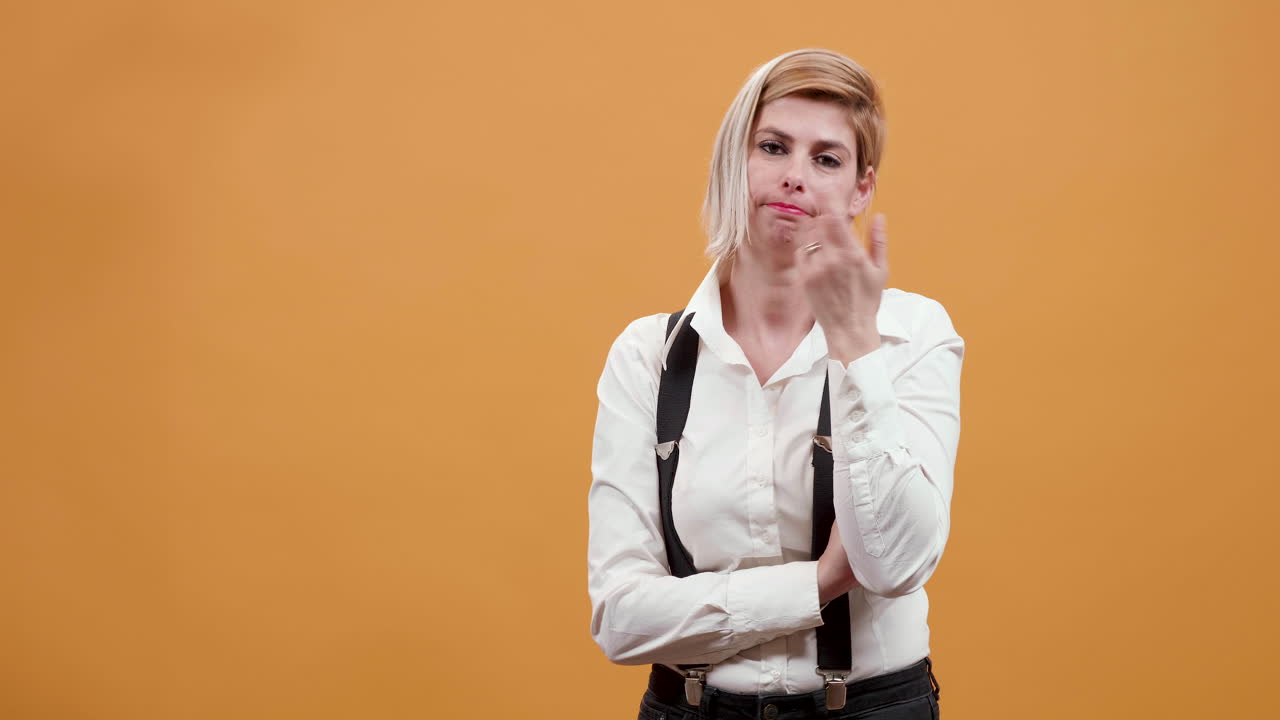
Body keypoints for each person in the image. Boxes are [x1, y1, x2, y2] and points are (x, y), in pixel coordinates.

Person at [587, 48, 963, 720]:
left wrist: (854, 346)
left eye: (826, 159)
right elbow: (620, 619)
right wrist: (819, 583)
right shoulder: (648, 356)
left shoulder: (912, 334)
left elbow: (895, 565)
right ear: (737, 159)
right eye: (773, 147)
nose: (795, 176)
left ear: (861, 189)